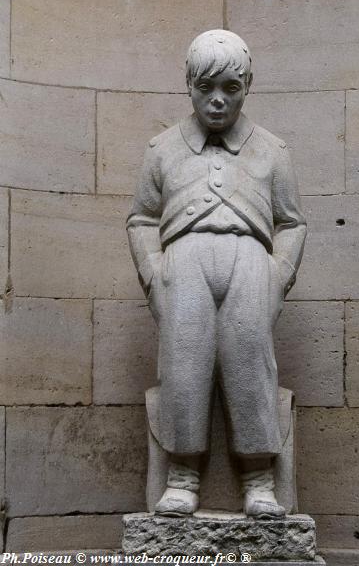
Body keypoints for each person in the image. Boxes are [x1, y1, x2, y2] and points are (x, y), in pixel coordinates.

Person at [127, 29, 306, 518]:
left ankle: (259, 479)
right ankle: (182, 474)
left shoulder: (272, 149)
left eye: (231, 88)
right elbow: (142, 219)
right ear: (188, 85)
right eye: (206, 88)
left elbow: (291, 222)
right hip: (183, 265)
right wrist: (153, 273)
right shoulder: (162, 148)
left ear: (248, 86)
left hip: (250, 262)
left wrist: (277, 276)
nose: (218, 101)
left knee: (250, 362)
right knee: (184, 364)